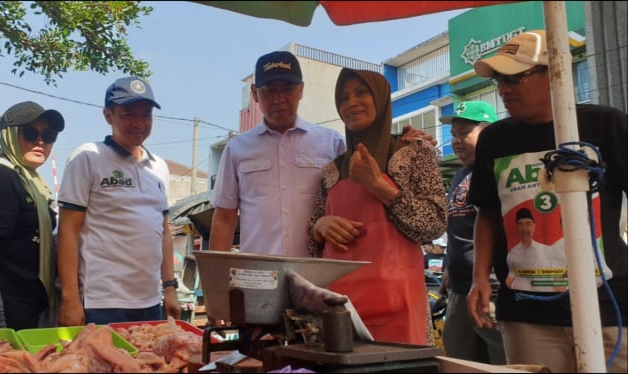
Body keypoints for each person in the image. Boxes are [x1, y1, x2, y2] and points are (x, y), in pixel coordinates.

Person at [466, 30, 627, 372]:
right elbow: (488, 213)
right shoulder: (495, 139)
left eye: (514, 78)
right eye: (499, 81)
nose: (504, 89)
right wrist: (479, 277)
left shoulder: (604, 123)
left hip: (609, 305)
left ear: (555, 72)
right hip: (526, 312)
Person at [210, 50, 433, 257]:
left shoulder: (332, 142)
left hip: (322, 272)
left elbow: (362, 186)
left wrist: (404, 141)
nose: (278, 99)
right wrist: (217, 286)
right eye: (269, 90)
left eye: (287, 89)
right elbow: (225, 219)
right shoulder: (237, 148)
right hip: (259, 276)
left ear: (301, 90)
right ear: (254, 94)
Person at [307, 68, 447, 345]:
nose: (352, 103)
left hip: (399, 306)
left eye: (361, 92)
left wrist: (378, 186)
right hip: (340, 309)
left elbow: (434, 224)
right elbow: (313, 247)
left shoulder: (413, 153)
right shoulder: (330, 171)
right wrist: (319, 228)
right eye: (344, 97)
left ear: (381, 99)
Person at [57, 76, 181, 326]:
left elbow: (164, 231)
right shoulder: (88, 157)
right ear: (108, 116)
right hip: (102, 302)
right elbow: (68, 231)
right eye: (128, 114)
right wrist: (70, 300)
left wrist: (169, 288)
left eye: (145, 115)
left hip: (149, 302)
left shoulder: (159, 167)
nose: (139, 123)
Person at [0, 101, 64, 330]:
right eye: (30, 133)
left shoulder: (33, 183)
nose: (40, 141)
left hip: (26, 306)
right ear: (9, 135)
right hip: (1, 311)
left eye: (48, 135)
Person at [437, 100, 506, 364]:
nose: (456, 141)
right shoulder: (458, 176)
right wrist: (447, 267)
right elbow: (456, 228)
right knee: (459, 363)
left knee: (504, 365)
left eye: (464, 132)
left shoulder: (499, 170)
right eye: (453, 134)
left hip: (492, 292)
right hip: (457, 290)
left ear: (487, 131)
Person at [506, 207, 567, 291]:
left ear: (534, 226)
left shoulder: (546, 249)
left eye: (528, 224)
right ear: (516, 228)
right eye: (520, 224)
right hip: (524, 299)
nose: (524, 229)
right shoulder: (513, 252)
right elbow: (510, 278)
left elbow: (559, 279)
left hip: (548, 298)